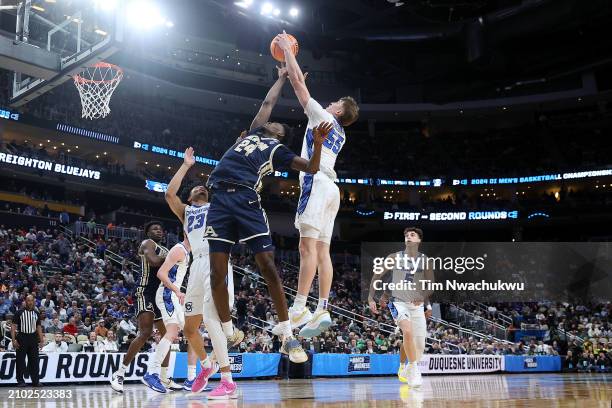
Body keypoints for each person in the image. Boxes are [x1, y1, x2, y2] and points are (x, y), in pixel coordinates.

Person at [203, 95, 333, 378]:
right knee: (216, 275)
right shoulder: (251, 134)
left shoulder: (278, 149)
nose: (273, 122)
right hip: (219, 200)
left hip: (247, 200)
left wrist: (319, 145)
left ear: (281, 135)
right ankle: (229, 331)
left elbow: (311, 168)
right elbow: (265, 105)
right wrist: (282, 76)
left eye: (279, 124)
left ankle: (287, 334)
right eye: (273, 121)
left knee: (268, 266)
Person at [273, 31, 360, 338]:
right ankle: (323, 305)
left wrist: (288, 53)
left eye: (335, 101)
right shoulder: (343, 133)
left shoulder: (323, 116)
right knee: (323, 250)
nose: (331, 102)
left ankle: (299, 307)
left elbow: (299, 85)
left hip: (317, 180)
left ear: (337, 111)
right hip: (333, 189)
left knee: (305, 246)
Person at [165, 151, 240, 395]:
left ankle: (227, 380)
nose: (200, 188)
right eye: (195, 187)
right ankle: (207, 366)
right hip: (195, 265)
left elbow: (232, 185)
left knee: (211, 320)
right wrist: (186, 166)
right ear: (190, 196)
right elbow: (169, 194)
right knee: (189, 329)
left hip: (215, 259)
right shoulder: (185, 211)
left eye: (202, 187)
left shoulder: (217, 205)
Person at [110, 222, 180, 393]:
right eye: (155, 229)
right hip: (145, 291)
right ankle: (119, 374)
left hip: (160, 295)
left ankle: (164, 377)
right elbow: (154, 261)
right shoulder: (147, 244)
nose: (159, 231)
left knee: (167, 337)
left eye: (161, 229)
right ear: (147, 232)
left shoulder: (165, 249)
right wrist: (177, 257)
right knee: (145, 333)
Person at [368, 227, 433, 387]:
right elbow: (377, 275)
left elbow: (431, 285)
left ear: (419, 240)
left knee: (419, 344)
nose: (408, 237)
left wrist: (424, 298)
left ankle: (407, 366)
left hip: (416, 304)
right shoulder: (394, 257)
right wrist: (370, 297)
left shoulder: (425, 260)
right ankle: (413, 368)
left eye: (412, 235)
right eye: (406, 235)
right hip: (397, 301)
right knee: (408, 332)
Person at [141, 239, 190, 393]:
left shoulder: (187, 252)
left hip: (173, 295)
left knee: (191, 331)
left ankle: (193, 376)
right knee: (173, 332)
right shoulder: (179, 249)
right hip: (168, 294)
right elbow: (161, 273)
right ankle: (151, 373)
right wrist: (176, 290)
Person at [11, 295, 44, 387]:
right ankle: (20, 381)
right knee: (20, 360)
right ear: (25, 301)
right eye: (28, 300)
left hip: (33, 338)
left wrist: (41, 340)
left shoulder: (36, 313)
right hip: (22, 337)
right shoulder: (19, 312)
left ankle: (35, 381)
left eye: (31, 300)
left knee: (34, 360)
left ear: (34, 301)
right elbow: (13, 327)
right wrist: (14, 340)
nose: (30, 302)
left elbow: (38, 327)